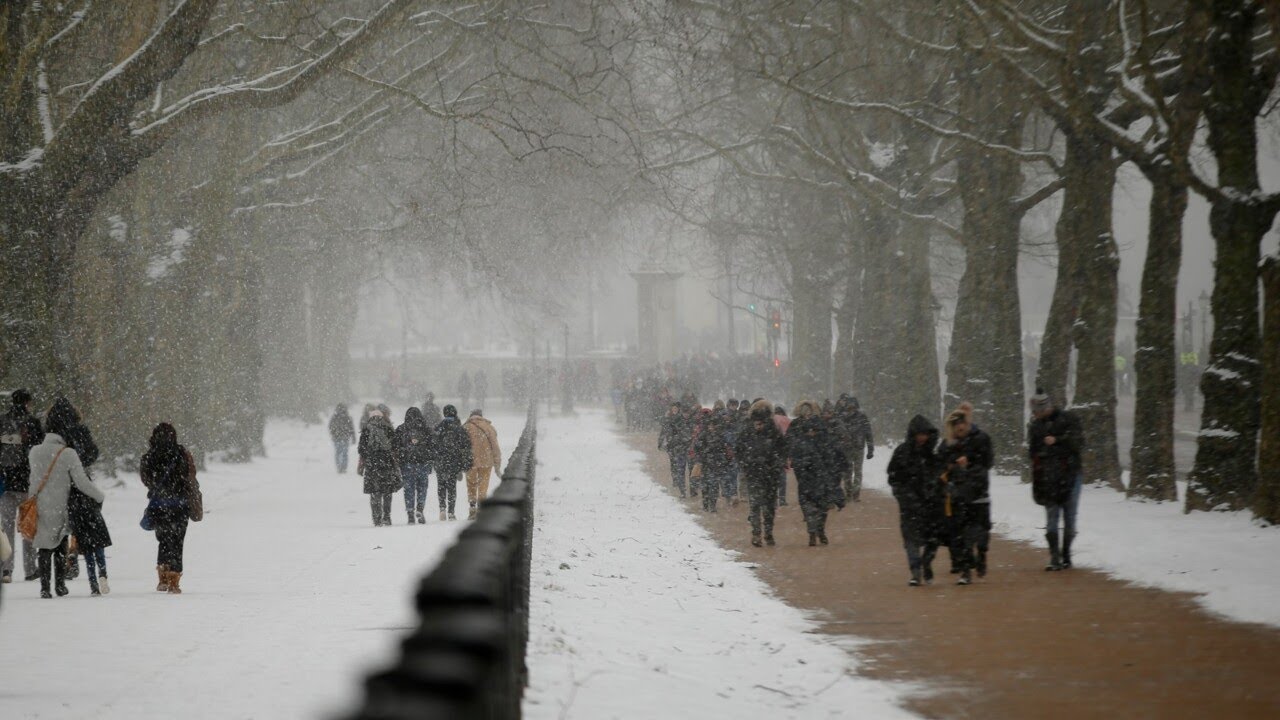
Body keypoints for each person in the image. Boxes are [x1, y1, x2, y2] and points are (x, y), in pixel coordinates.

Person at [28, 404, 106, 598]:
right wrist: (99, 496)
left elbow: (33, 481)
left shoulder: (35, 451)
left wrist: (30, 502)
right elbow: (81, 482)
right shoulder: (68, 453)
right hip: (61, 504)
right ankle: (60, 585)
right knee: (61, 543)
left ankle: (45, 588)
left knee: (44, 546)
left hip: (40, 505)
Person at [53, 398, 113, 596]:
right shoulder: (80, 431)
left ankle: (62, 563)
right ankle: (77, 548)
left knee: (62, 522)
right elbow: (92, 453)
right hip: (80, 481)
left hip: (58, 482)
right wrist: (79, 463)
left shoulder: (51, 434)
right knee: (84, 518)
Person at [1028, 390, 1084, 571]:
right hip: (1048, 477)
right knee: (1052, 516)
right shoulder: (1035, 426)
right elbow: (1032, 452)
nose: (1036, 415)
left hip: (1071, 475)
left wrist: (1057, 441)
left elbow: (1078, 442)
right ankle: (1054, 556)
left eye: (1037, 411)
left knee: (1069, 516)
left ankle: (1066, 553)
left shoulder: (1068, 419)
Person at [938, 409, 993, 585]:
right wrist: (953, 467)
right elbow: (941, 465)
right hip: (958, 496)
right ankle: (965, 571)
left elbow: (988, 462)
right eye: (955, 425)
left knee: (982, 532)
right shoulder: (947, 444)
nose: (959, 428)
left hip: (979, 493)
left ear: (967, 423)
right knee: (962, 535)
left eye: (961, 424)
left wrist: (970, 463)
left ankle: (982, 555)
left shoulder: (981, 439)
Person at [887, 415, 943, 586]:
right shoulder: (902, 452)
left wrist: (936, 490)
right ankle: (915, 571)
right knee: (911, 540)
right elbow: (893, 477)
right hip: (909, 505)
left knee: (933, 538)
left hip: (931, 503)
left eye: (925, 434)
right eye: (919, 434)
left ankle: (926, 563)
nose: (922, 437)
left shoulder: (933, 454)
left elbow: (941, 475)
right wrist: (903, 495)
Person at [140, 423, 196, 593]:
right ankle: (174, 581)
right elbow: (190, 476)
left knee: (163, 539)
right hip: (180, 504)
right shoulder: (181, 453)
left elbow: (146, 479)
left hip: (159, 504)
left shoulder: (149, 456)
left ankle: (162, 578)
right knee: (178, 540)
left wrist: (158, 489)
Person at [0, 388, 44, 583]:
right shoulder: (33, 422)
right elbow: (39, 449)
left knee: (6, 527)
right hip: (27, 482)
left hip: (4, 482)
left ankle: (6, 569)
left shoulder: (2, 421)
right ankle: (30, 569)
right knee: (28, 527)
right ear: (28, 403)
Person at [789, 401, 845, 546]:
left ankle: (819, 530)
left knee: (821, 508)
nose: (811, 433)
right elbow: (794, 455)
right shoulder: (800, 439)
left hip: (821, 480)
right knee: (809, 507)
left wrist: (835, 472)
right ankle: (813, 532)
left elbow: (837, 457)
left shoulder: (825, 440)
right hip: (808, 480)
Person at [735, 400, 788, 547]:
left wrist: (777, 462)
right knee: (758, 504)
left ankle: (765, 532)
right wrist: (746, 463)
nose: (759, 425)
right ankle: (758, 533)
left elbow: (783, 449)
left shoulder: (773, 431)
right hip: (756, 473)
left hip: (768, 473)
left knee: (766, 505)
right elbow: (739, 449)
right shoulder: (748, 430)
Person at [691, 401, 734, 513]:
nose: (711, 427)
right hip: (706, 464)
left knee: (714, 486)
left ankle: (713, 506)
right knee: (706, 487)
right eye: (710, 425)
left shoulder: (720, 436)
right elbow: (697, 448)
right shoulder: (703, 435)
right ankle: (706, 505)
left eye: (713, 425)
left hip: (716, 465)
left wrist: (723, 460)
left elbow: (725, 450)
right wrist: (703, 455)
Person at [432, 405, 473, 521]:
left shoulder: (439, 427)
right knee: (451, 487)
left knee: (441, 486)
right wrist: (465, 463)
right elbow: (466, 446)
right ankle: (451, 512)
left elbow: (432, 444)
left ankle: (442, 508)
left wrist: (434, 459)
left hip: (440, 462)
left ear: (444, 414)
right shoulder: (459, 428)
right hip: (454, 462)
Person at [394, 407, 434, 524]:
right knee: (422, 487)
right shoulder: (426, 429)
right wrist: (430, 459)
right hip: (423, 463)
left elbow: (395, 446)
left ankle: (410, 513)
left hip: (407, 464)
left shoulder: (401, 429)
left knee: (409, 489)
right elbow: (432, 446)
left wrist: (401, 458)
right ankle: (420, 508)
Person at [463, 409, 502, 520]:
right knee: (483, 485)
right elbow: (495, 446)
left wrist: (461, 462)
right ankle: (481, 507)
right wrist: (497, 464)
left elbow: (460, 446)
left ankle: (472, 507)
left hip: (470, 461)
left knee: (471, 484)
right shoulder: (489, 428)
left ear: (471, 416)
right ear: (481, 416)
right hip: (486, 461)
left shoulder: (465, 427)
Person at [835, 395, 874, 502]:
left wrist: (871, 448)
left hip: (859, 448)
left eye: (853, 406)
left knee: (858, 471)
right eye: (849, 406)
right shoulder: (841, 417)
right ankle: (848, 492)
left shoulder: (862, 416)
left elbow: (868, 432)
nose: (851, 409)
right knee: (847, 471)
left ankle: (855, 493)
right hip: (846, 448)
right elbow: (838, 433)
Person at [658, 403, 691, 497]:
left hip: (685, 448)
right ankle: (680, 487)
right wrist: (662, 442)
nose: (675, 410)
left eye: (676, 408)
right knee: (677, 466)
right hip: (676, 447)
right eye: (674, 408)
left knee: (686, 469)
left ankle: (690, 489)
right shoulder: (671, 419)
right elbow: (665, 431)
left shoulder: (689, 420)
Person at [329, 404, 356, 474]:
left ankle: (339, 467)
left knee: (338, 452)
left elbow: (330, 427)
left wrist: (333, 433)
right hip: (345, 437)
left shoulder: (334, 417)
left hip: (337, 437)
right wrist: (353, 437)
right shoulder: (348, 417)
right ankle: (343, 467)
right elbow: (351, 428)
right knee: (344, 453)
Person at [773, 406, 791, 505]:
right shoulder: (786, 421)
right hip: (780, 457)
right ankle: (782, 499)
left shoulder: (770, 422)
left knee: (773, 479)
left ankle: (774, 500)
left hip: (772, 457)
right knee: (782, 479)